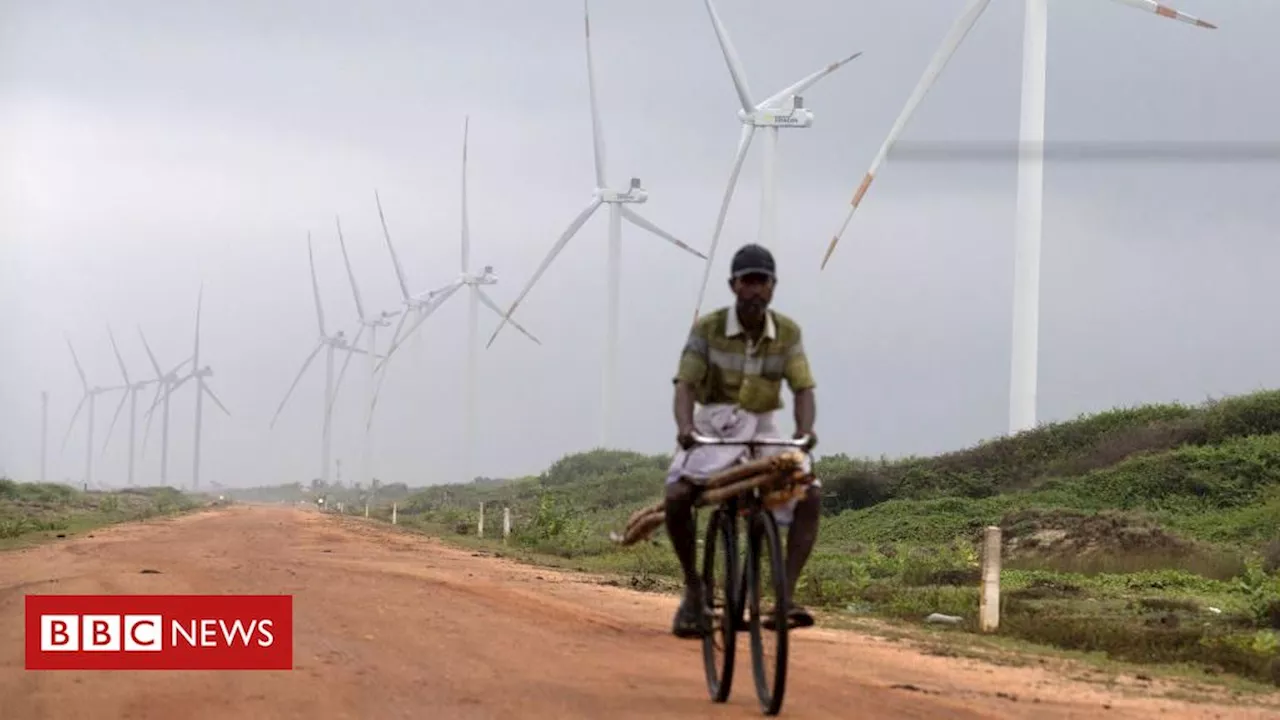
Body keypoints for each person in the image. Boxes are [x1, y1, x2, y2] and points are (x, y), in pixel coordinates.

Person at [664, 243, 821, 639]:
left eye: (761, 282)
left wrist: (804, 431)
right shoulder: (708, 329)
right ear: (733, 285)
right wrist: (685, 429)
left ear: (772, 287)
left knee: (809, 492)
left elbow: (803, 389)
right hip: (714, 427)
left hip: (764, 429)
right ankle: (694, 586)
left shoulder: (788, 332)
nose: (754, 290)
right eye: (747, 282)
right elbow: (685, 384)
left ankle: (784, 595)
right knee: (678, 494)